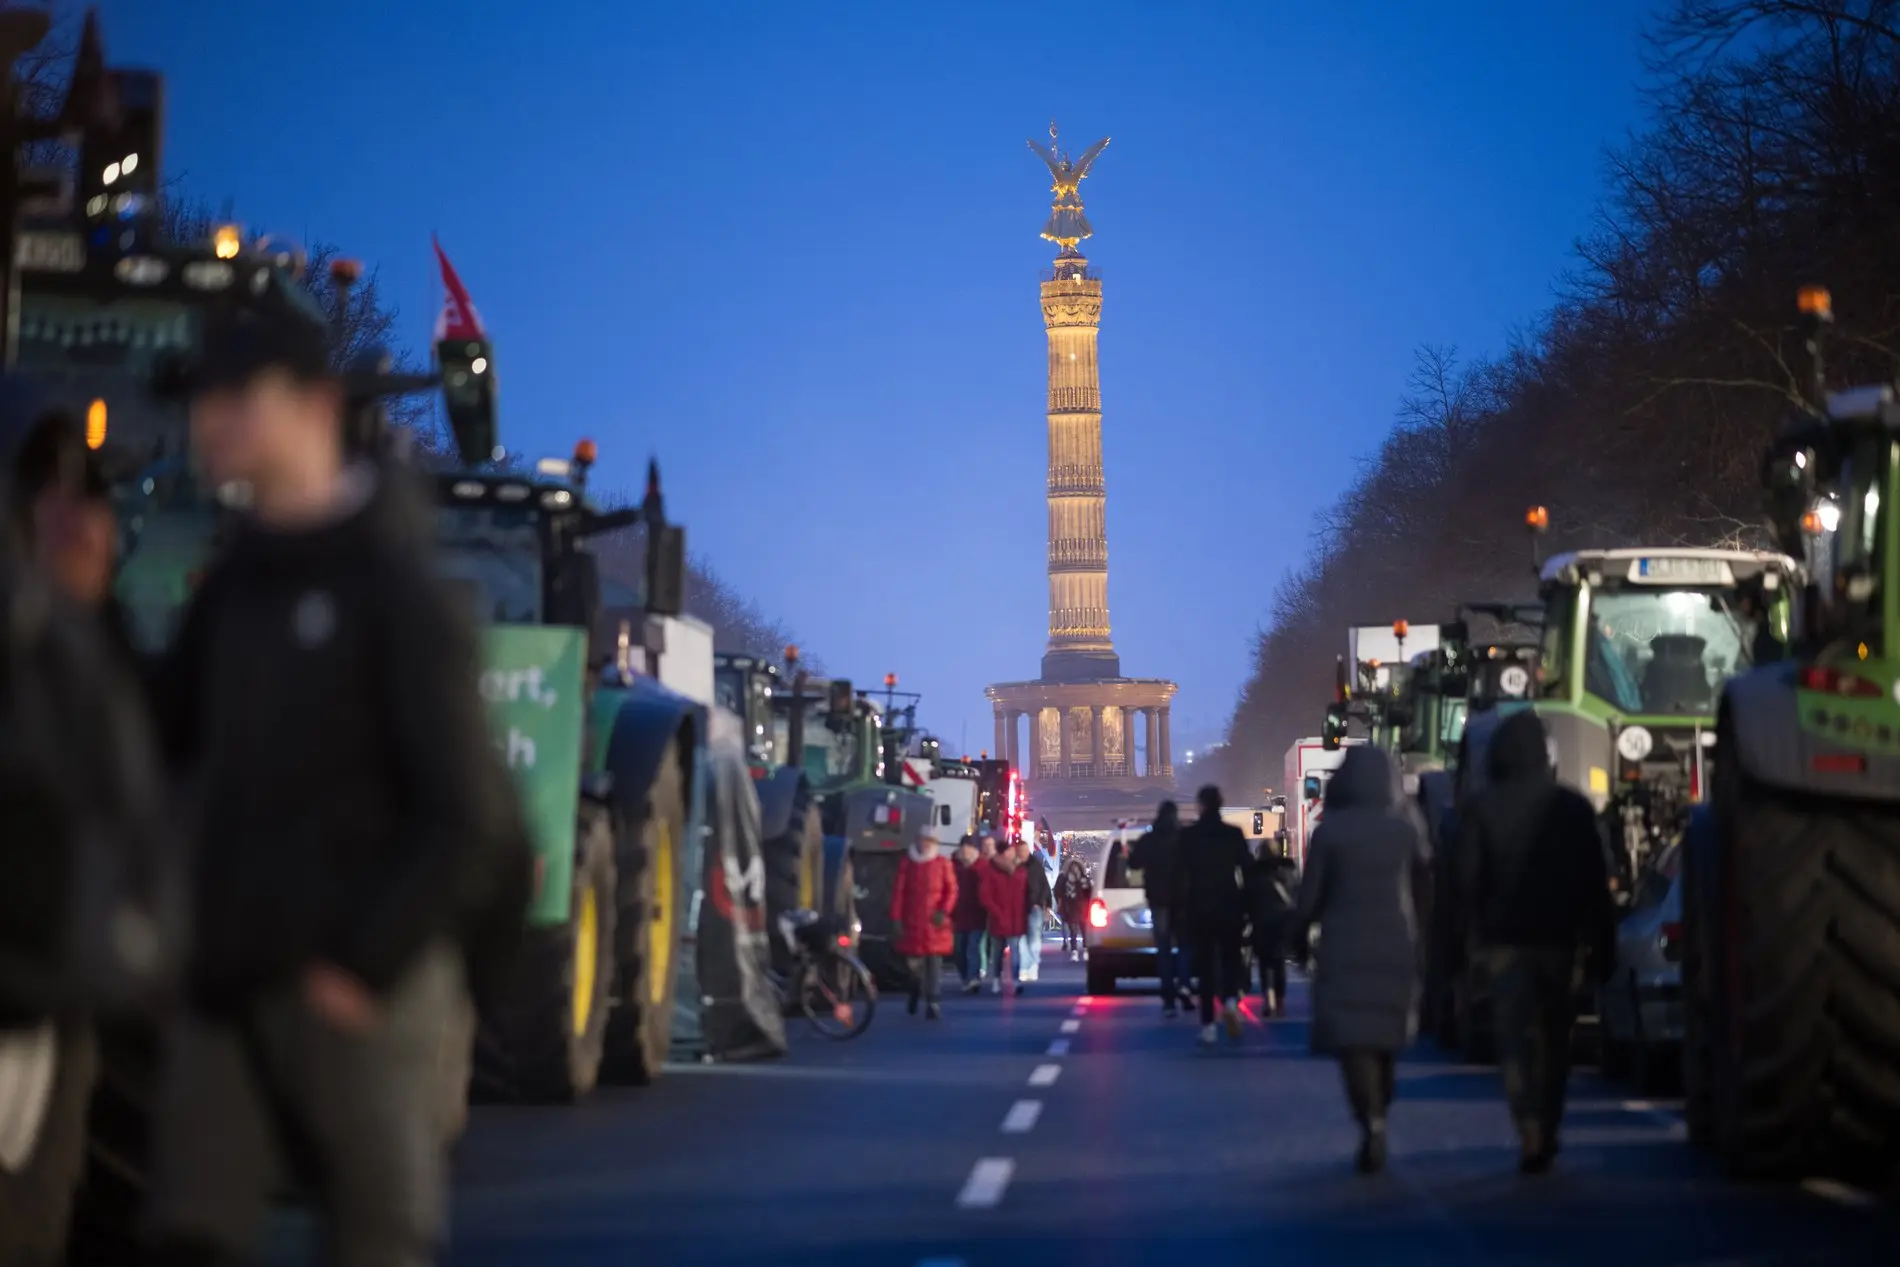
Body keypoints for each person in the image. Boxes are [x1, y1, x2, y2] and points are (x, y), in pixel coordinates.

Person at [139, 307, 531, 1266]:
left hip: (357, 993)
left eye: (237, 398)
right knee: (191, 1232)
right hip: (227, 986)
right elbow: (159, 751)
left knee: (373, 1236)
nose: (211, 423)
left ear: (314, 406)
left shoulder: (397, 596)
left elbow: (469, 818)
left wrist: (363, 964)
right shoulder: (232, 589)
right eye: (204, 402)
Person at [0, 389, 174, 1267]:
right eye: (54, 492)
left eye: (92, 494)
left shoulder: (93, 663)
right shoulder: (51, 661)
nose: (85, 522)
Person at [1459, 711, 1615, 1173]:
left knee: (1515, 1039)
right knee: (1556, 1037)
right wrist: (1602, 946)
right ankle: (1549, 1120)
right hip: (1559, 943)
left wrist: (1464, 948)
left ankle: (1528, 1123)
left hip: (1505, 945)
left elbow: (1466, 884)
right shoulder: (1573, 808)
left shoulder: (1482, 809)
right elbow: (1594, 884)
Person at [1289, 745, 1429, 1175]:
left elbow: (1308, 900)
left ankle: (1369, 1119)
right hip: (1397, 945)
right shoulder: (1407, 829)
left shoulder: (1330, 833)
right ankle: (1381, 1105)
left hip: (1344, 947)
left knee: (1353, 1042)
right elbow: (1426, 891)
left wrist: (1298, 941)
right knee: (1386, 1034)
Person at [1174, 787, 1251, 1045]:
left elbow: (1179, 875)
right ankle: (1230, 1000)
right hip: (1230, 906)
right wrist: (1248, 906)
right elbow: (1248, 871)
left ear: (1200, 806)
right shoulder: (1233, 834)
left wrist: (1181, 909)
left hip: (1200, 909)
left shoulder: (1189, 836)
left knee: (1206, 969)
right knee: (1231, 959)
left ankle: (1208, 1025)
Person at [1128, 801, 1187, 1016]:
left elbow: (1134, 864)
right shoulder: (1184, 839)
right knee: (1183, 945)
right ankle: (1184, 982)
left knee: (1163, 948)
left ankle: (1169, 996)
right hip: (1182, 900)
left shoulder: (1149, 840)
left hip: (1158, 899)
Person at [891, 830, 957, 1019]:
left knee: (934, 963)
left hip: (935, 922)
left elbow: (951, 891)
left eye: (929, 840)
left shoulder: (942, 863)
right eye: (922, 840)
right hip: (912, 922)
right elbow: (899, 893)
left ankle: (933, 1001)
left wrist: (943, 911)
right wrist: (896, 918)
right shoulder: (907, 864)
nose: (925, 844)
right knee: (914, 964)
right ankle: (915, 988)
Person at [1248, 847, 1296, 1018]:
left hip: (1261, 923)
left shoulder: (1255, 875)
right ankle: (1280, 1000)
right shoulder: (1287, 872)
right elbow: (1294, 895)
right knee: (1279, 963)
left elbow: (1249, 899)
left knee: (1264, 964)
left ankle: (1269, 1000)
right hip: (1282, 923)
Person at [977, 838, 1029, 995]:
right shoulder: (992, 872)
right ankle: (996, 979)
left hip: (1015, 918)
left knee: (1014, 950)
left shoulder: (1020, 871)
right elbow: (985, 895)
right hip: (999, 918)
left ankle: (1015, 980)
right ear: (1003, 853)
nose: (1013, 853)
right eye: (1010, 850)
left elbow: (1026, 893)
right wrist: (996, 911)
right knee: (998, 952)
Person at [951, 839, 988, 993]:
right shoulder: (953, 866)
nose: (965, 852)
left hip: (978, 915)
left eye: (968, 849)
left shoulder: (982, 867)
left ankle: (973, 978)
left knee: (973, 947)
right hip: (958, 916)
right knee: (958, 950)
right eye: (963, 849)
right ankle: (967, 976)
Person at [1017, 840, 1054, 988]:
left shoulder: (1036, 866)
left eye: (1025, 851)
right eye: (1020, 851)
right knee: (1021, 940)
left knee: (1034, 940)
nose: (1023, 854)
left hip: (1035, 907)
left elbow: (1044, 886)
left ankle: (1032, 966)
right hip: (1018, 908)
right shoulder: (1014, 866)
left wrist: (1047, 905)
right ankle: (1024, 967)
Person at [1056, 854, 1094, 960]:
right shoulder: (1064, 880)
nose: (1074, 869)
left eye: (1076, 866)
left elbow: (1090, 893)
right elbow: (1059, 892)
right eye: (1072, 867)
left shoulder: (1085, 880)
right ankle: (1074, 951)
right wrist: (1060, 904)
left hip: (1083, 908)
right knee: (1073, 931)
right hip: (1071, 908)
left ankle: (1085, 949)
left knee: (1084, 930)